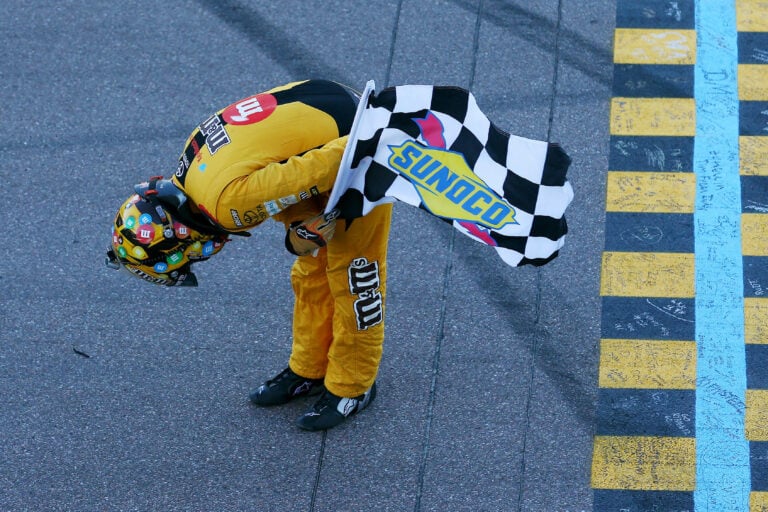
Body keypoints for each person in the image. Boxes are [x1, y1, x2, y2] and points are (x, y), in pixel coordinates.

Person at [106, 79, 392, 431]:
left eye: (189, 258)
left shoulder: (225, 208)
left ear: (182, 240)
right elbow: (274, 178)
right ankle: (310, 369)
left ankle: (354, 386)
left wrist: (382, 138)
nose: (200, 257)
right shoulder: (190, 174)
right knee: (311, 270)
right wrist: (299, 227)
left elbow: (314, 170)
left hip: (358, 148)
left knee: (355, 276)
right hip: (326, 105)